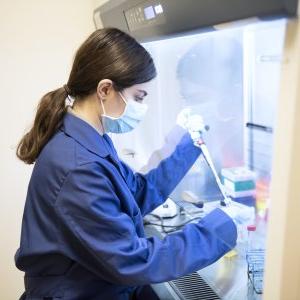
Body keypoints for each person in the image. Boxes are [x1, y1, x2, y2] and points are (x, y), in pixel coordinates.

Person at [15, 28, 237, 300]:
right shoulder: (77, 166)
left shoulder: (88, 138)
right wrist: (223, 227)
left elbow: (137, 192)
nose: (141, 107)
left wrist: (189, 142)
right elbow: (133, 261)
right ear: (105, 89)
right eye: (138, 97)